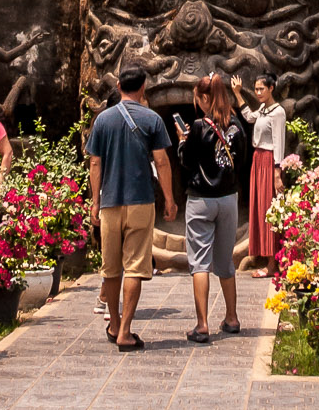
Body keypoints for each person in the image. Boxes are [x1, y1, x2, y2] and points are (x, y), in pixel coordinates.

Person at [85, 66, 176, 351]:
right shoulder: (152, 119)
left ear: (119, 84)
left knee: (111, 269)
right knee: (135, 266)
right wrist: (170, 199)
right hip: (140, 201)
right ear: (143, 87)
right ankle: (125, 331)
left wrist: (95, 202)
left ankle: (113, 323)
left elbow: (95, 163)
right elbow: (161, 162)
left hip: (110, 203)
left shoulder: (102, 120)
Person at [174, 73, 243, 341]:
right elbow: (242, 161)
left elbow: (187, 162)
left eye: (197, 99)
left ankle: (202, 325)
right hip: (228, 198)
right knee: (226, 261)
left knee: (200, 263)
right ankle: (232, 318)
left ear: (205, 98)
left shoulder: (198, 126)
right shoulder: (236, 124)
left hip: (201, 199)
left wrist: (182, 140)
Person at [232, 72, 286, 276]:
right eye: (256, 89)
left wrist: (276, 172)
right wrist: (237, 94)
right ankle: (266, 258)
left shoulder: (278, 112)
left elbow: (279, 142)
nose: (258, 92)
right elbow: (248, 116)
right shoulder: (263, 109)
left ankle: (273, 264)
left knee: (270, 210)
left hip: (270, 162)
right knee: (261, 209)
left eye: (261, 89)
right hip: (258, 161)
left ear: (272, 88)